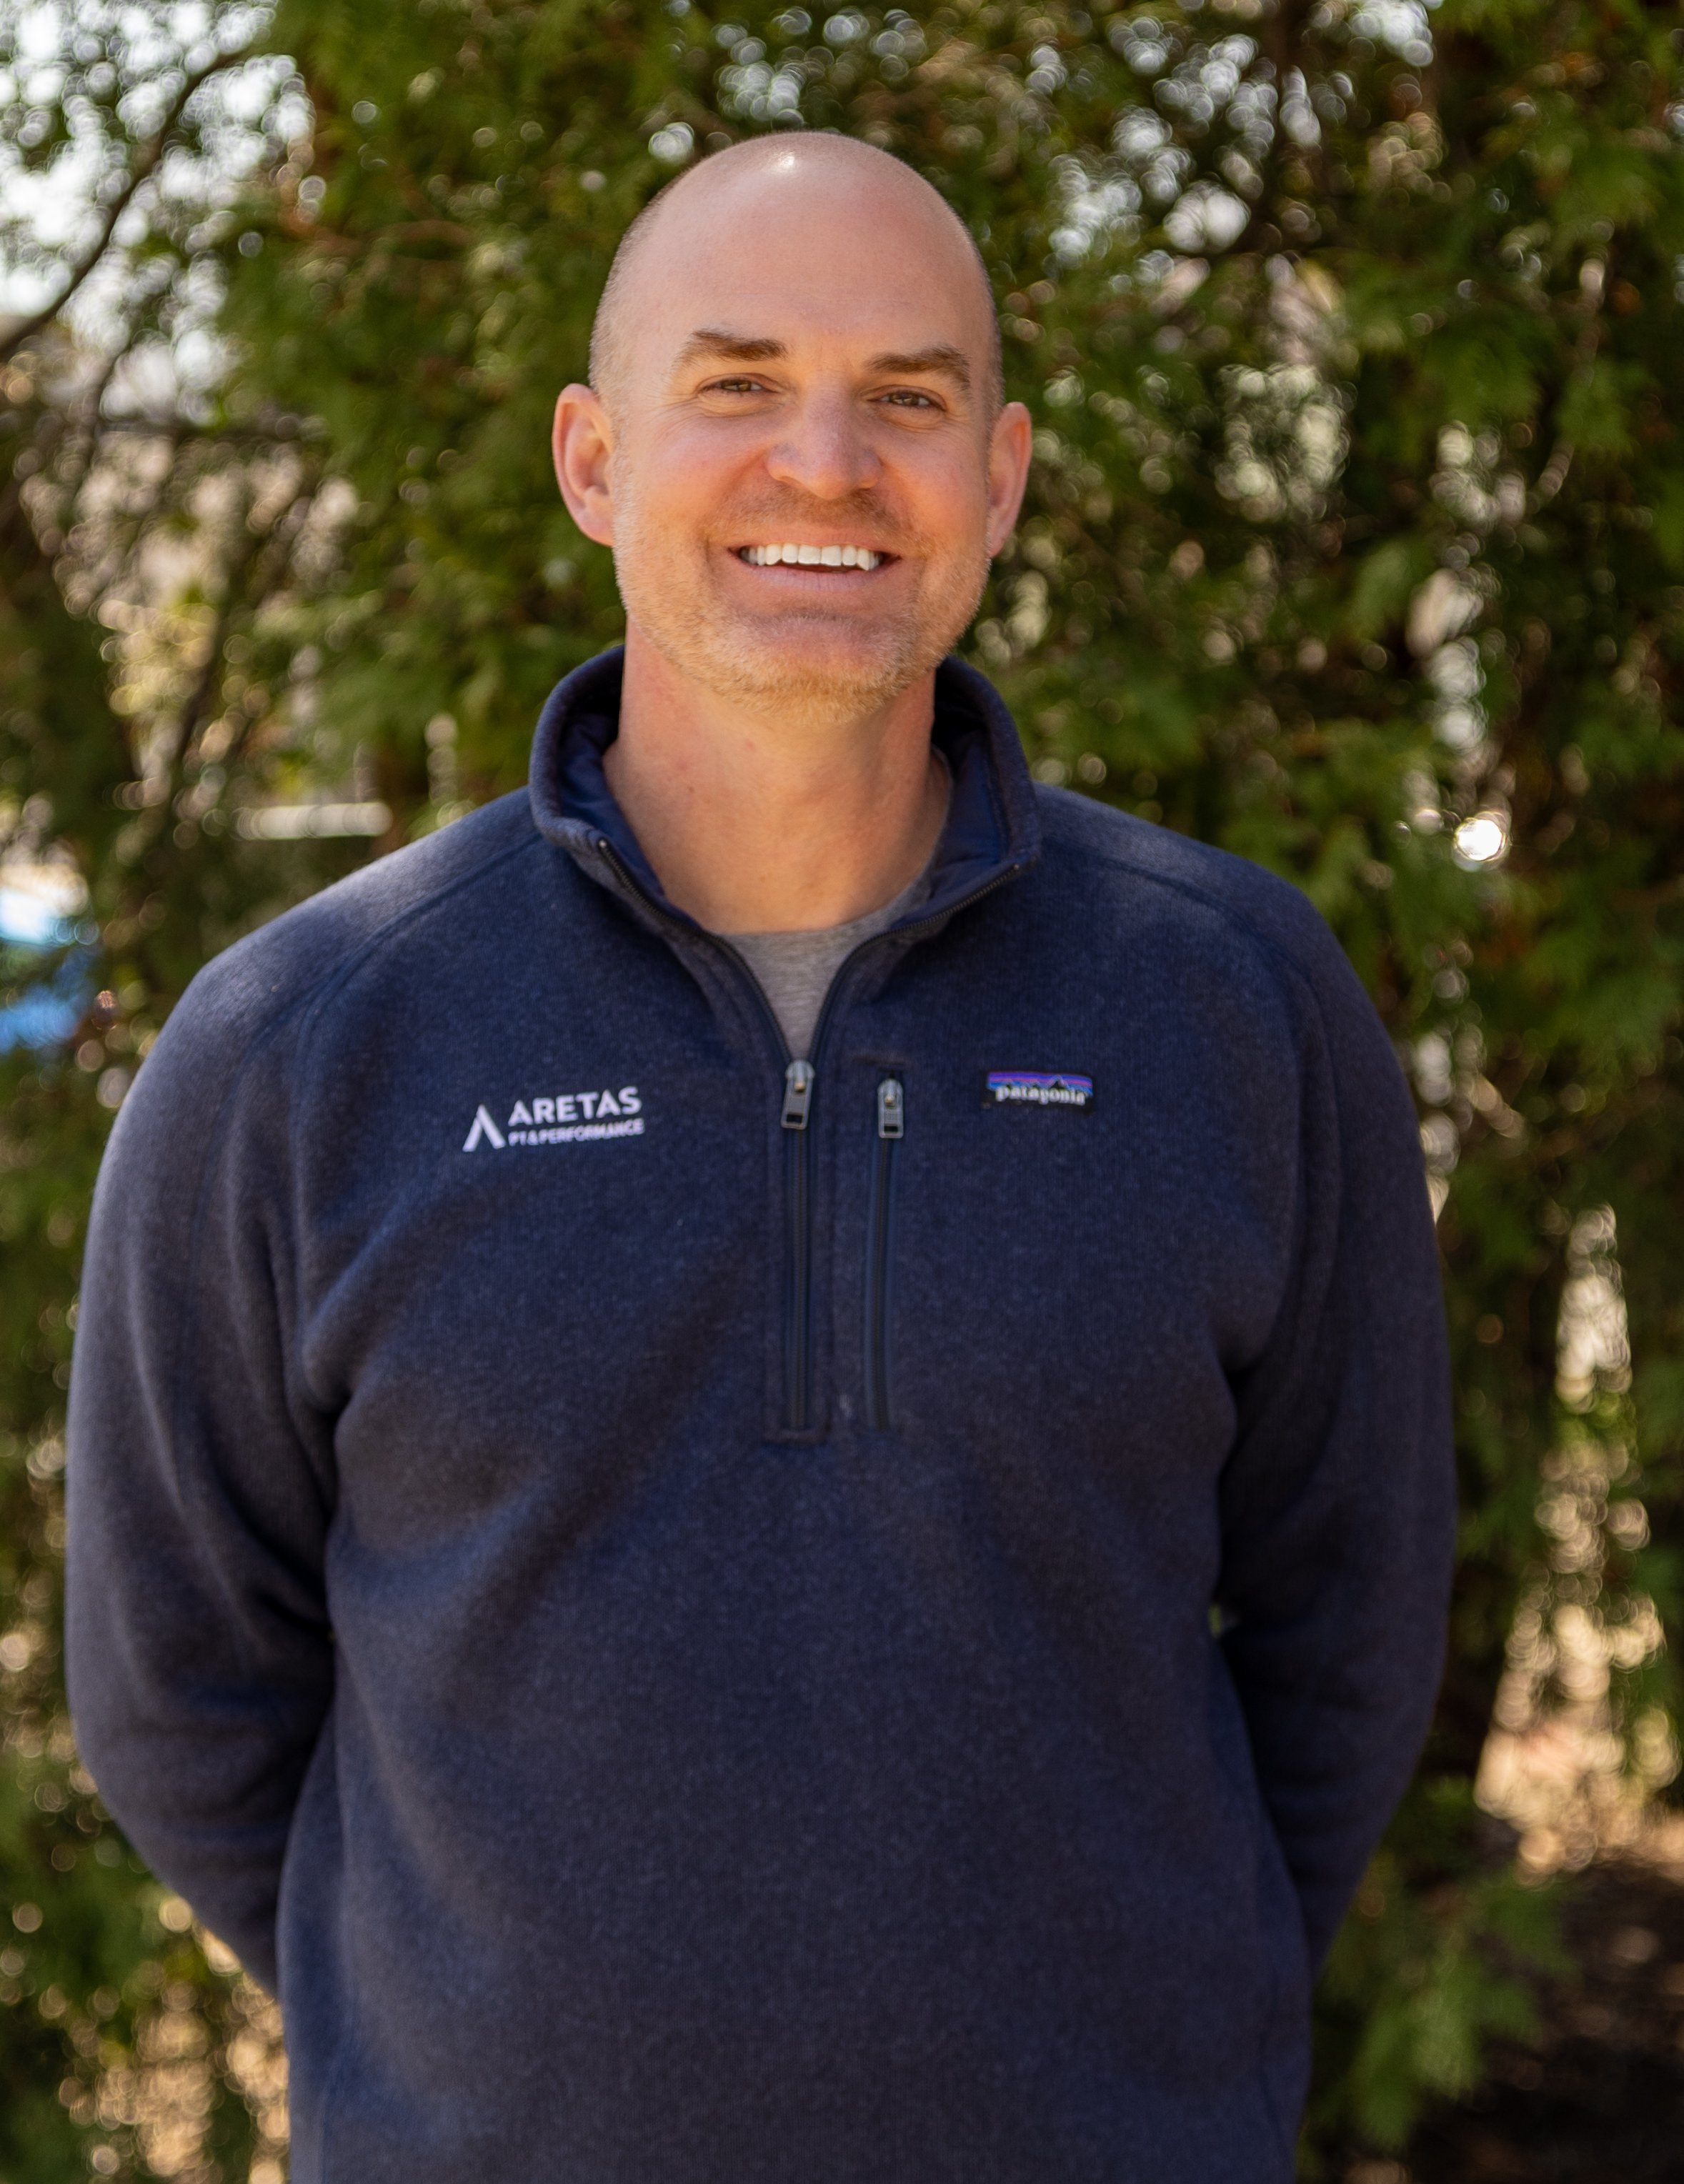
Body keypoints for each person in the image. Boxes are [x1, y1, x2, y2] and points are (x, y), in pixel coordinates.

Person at [66, 136, 1455, 2183]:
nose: (828, 462)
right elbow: (180, 1694)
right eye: (736, 383)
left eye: (908, 396)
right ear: (593, 460)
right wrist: (479, 2042)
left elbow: (1352, 1636)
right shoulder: (306, 1045)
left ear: (1000, 477)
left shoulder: (1230, 1003)